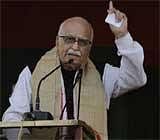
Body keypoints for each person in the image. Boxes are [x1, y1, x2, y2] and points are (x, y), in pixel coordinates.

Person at [2, 1, 147, 140]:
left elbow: (135, 78)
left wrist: (122, 36)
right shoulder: (35, 73)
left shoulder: (102, 73)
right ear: (57, 42)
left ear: (89, 48)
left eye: (82, 42)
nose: (75, 47)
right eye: (69, 39)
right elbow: (12, 118)